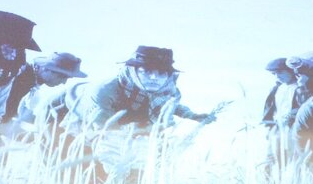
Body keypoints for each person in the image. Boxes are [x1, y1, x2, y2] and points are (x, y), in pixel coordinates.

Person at [73, 46, 215, 130]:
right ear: (133, 71)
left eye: (161, 72)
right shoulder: (105, 91)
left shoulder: (166, 90)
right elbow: (105, 131)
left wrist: (192, 115)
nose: (154, 77)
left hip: (127, 127)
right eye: (146, 71)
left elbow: (169, 105)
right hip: (80, 122)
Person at [3, 52, 87, 126]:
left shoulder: (29, 79)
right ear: (46, 69)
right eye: (62, 76)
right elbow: (5, 116)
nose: (64, 82)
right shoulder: (22, 79)